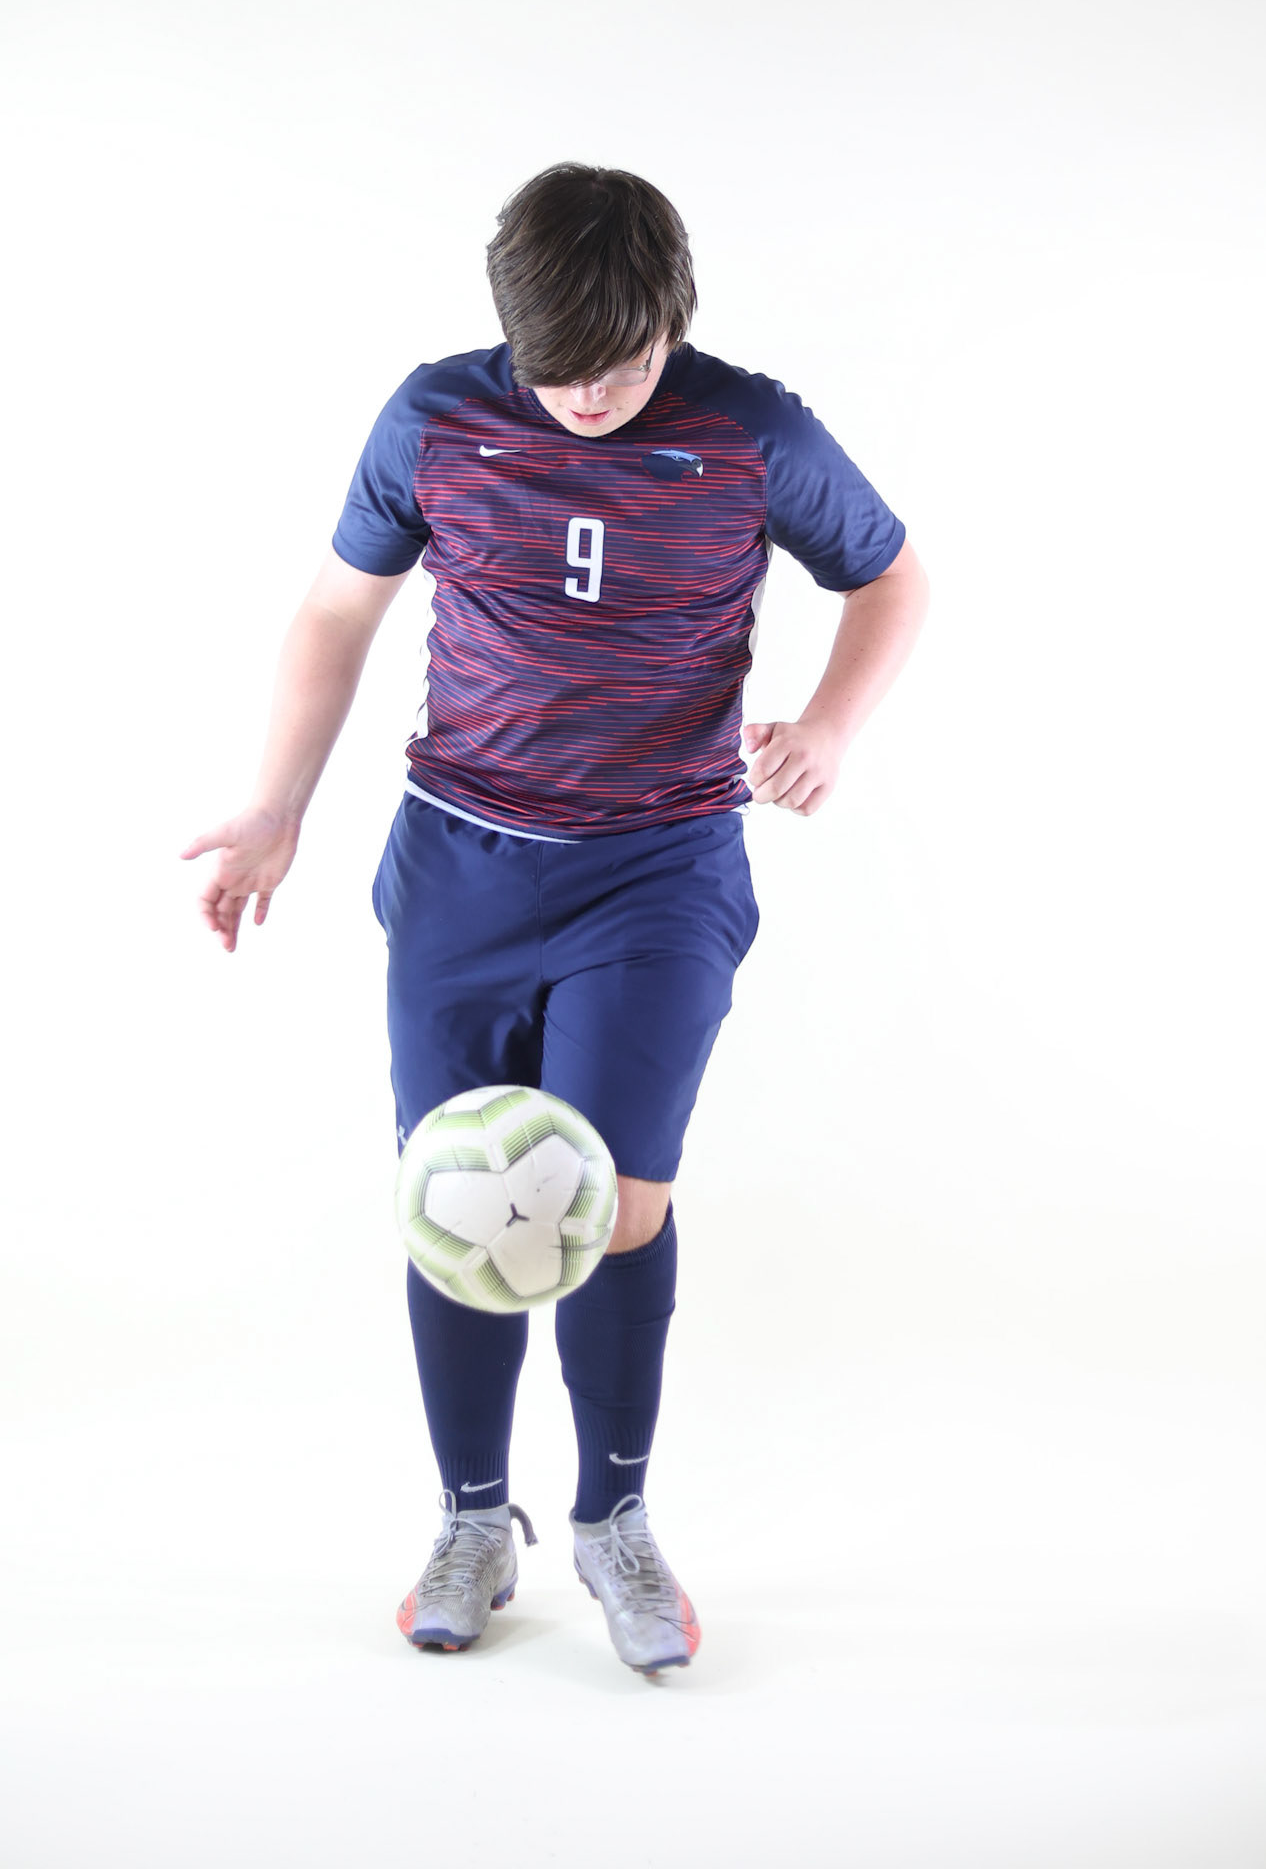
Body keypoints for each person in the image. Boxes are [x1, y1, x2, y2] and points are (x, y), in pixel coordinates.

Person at [181, 162, 930, 1678]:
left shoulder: (749, 430)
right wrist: (276, 805)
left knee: (610, 1205)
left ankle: (613, 1519)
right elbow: (335, 613)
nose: (590, 394)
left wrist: (834, 729)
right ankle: (471, 1519)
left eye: (625, 362)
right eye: (558, 368)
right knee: (457, 1203)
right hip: (459, 863)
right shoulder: (434, 418)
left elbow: (893, 579)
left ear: (674, 319)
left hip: (656, 872)